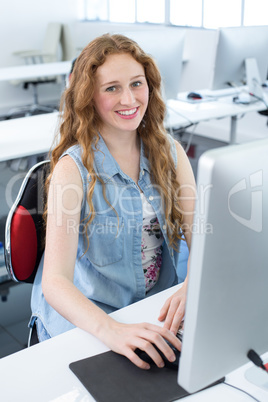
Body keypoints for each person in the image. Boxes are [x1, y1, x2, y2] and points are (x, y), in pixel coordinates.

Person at [30, 33, 196, 370]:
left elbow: (205, 240)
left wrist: (193, 284)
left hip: (152, 306)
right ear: (89, 97)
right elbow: (55, 282)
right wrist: (113, 331)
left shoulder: (172, 155)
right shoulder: (72, 170)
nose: (129, 98)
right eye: (111, 88)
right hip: (92, 315)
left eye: (136, 83)